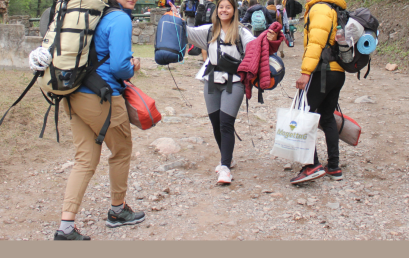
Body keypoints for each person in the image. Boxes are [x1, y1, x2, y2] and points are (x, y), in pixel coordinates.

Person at [51, 0, 145, 240]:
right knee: (122, 151)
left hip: (74, 93)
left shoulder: (89, 16)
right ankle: (117, 210)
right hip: (103, 97)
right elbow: (120, 68)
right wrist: (134, 65)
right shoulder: (119, 19)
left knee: (84, 160)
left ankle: (66, 227)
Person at [169, 0, 281, 184]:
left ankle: (225, 168)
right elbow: (186, 33)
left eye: (228, 7)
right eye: (221, 7)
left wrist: (271, 38)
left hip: (234, 81)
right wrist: (176, 18)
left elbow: (258, 47)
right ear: (216, 10)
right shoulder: (209, 31)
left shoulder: (242, 33)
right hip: (211, 79)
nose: (224, 10)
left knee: (225, 123)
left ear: (234, 10)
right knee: (215, 123)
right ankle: (227, 158)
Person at [291, 0, 347, 184]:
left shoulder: (320, 8)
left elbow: (316, 42)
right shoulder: (335, 8)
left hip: (322, 72)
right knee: (327, 116)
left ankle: (311, 165)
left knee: (302, 114)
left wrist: (305, 73)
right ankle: (333, 166)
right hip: (337, 72)